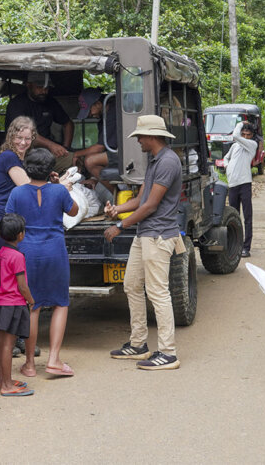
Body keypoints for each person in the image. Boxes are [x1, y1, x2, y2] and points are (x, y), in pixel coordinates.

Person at [104, 114, 184, 371]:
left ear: (151, 136)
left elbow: (150, 205)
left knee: (158, 292)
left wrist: (120, 226)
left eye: (139, 136)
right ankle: (138, 343)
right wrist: (117, 209)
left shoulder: (168, 162)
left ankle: (168, 352)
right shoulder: (155, 159)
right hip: (146, 233)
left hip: (158, 235)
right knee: (131, 285)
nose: (137, 140)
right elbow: (140, 199)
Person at [6, 148, 78, 378]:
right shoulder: (58, 191)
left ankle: (29, 364)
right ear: (51, 171)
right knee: (60, 303)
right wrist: (64, 188)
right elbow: (74, 211)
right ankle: (54, 360)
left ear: (27, 168)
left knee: (33, 306)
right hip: (54, 250)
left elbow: (10, 221)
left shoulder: (17, 193)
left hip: (27, 251)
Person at [0, 213, 35, 397]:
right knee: (8, 345)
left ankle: (2, 380)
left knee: (1, 342)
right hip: (13, 303)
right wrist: (31, 300)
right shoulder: (17, 256)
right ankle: (8, 385)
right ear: (20, 235)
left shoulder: (1, 252)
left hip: (1, 302)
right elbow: (22, 285)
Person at [5, 72, 75, 172]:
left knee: (76, 160)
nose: (44, 91)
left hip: (45, 152)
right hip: (22, 152)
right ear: (29, 85)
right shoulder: (17, 104)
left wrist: (65, 148)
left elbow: (68, 124)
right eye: (40, 87)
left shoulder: (50, 102)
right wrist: (51, 145)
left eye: (47, 88)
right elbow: (25, 134)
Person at [0, 117, 35, 250]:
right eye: (19, 138)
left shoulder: (23, 159)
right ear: (11, 137)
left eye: (28, 138)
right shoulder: (9, 156)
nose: (23, 142)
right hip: (1, 219)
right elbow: (28, 188)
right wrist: (59, 187)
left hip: (12, 220)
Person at [224, 121, 258, 257]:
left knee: (247, 216)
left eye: (248, 134)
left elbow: (235, 135)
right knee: (234, 216)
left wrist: (240, 123)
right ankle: (235, 245)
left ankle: (246, 247)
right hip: (233, 185)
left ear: (252, 136)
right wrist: (227, 166)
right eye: (243, 134)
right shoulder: (235, 146)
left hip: (245, 184)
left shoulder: (251, 145)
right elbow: (226, 158)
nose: (245, 136)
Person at [72, 88, 119, 182]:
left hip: (126, 154)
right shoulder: (102, 118)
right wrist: (93, 178)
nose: (90, 115)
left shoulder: (113, 114)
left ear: (98, 104)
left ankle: (115, 193)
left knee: (90, 161)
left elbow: (99, 148)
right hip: (116, 153)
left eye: (89, 111)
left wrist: (76, 154)